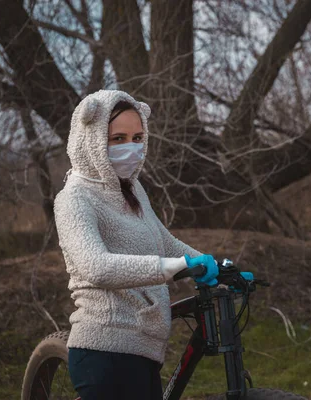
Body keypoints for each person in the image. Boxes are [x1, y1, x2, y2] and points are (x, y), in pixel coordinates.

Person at [54, 89, 219, 399]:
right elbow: (97, 267)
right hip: (104, 351)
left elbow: (163, 241)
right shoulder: (73, 199)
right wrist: (173, 268)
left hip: (143, 350)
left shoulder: (133, 189)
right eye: (118, 138)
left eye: (137, 137)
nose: (131, 147)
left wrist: (217, 265)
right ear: (92, 139)